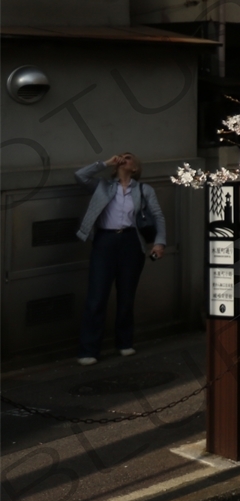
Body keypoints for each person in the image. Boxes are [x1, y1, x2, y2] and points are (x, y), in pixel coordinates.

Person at [75, 153, 167, 366]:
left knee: (126, 296)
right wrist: (105, 163)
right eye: (121, 157)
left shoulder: (144, 190)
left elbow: (158, 216)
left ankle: (124, 342)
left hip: (130, 242)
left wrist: (159, 243)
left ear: (135, 167)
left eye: (128, 157)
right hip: (105, 241)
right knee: (97, 296)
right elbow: (79, 176)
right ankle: (88, 349)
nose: (123, 159)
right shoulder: (103, 186)